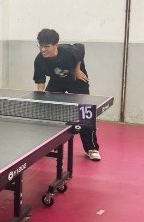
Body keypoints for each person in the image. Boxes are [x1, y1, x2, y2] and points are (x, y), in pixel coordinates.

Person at [33, 28, 101, 161]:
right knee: (46, 111)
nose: (43, 50)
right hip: (57, 82)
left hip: (77, 81)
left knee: (85, 114)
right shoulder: (39, 59)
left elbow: (81, 48)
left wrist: (77, 70)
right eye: (40, 46)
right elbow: (40, 80)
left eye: (47, 46)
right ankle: (47, 144)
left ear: (56, 45)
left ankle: (91, 148)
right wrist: (41, 98)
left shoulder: (68, 51)